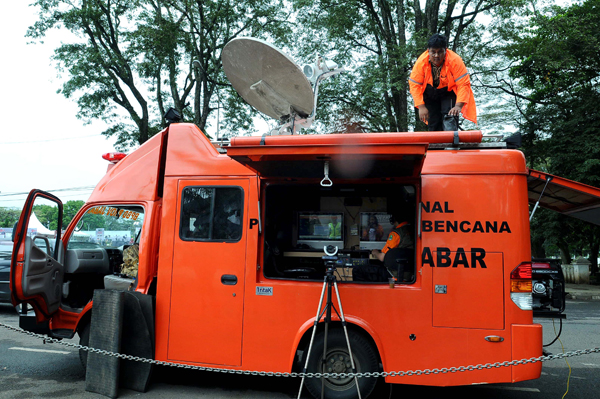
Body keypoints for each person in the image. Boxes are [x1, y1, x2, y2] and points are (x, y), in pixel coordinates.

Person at [409, 33, 477, 131]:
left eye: (440, 52)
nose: (436, 55)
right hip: (430, 93)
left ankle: (451, 145)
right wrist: (421, 106)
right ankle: (435, 146)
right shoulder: (421, 62)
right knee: (433, 123)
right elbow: (414, 85)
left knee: (450, 118)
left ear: (446, 50)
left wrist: (458, 106)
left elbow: (463, 84)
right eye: (433, 52)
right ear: (428, 51)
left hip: (448, 92)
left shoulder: (455, 60)